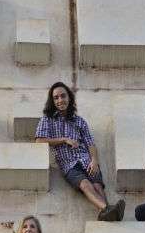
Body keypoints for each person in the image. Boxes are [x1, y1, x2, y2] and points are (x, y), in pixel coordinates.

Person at [36, 81, 124, 221]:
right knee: (85, 184)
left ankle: (106, 212)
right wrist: (64, 139)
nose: (60, 100)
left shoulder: (80, 121)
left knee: (97, 184)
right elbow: (39, 140)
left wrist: (94, 161)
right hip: (68, 164)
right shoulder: (47, 119)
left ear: (69, 98)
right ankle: (107, 209)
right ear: (52, 101)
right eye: (56, 98)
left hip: (86, 159)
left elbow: (90, 144)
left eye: (63, 96)